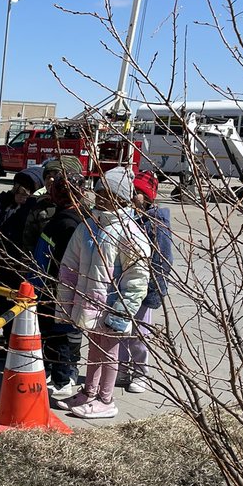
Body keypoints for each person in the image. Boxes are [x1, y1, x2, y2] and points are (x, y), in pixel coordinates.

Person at [56, 166, 151, 419]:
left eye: (106, 194)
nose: (99, 197)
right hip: (90, 303)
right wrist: (67, 300)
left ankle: (106, 399)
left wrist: (121, 313)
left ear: (120, 198)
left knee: (109, 352)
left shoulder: (129, 232)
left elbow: (136, 278)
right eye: (98, 192)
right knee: (95, 348)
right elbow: (70, 265)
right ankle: (89, 392)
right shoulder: (89, 226)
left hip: (112, 307)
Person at [32, 161, 88, 399]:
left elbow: (61, 260)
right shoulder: (70, 217)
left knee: (59, 334)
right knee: (52, 333)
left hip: (56, 287)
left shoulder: (67, 222)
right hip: (51, 285)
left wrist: (40, 281)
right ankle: (56, 373)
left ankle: (63, 379)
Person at [119, 170, 173, 393]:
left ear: (149, 197)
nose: (134, 197)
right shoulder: (128, 217)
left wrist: (155, 289)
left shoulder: (156, 223)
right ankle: (121, 367)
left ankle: (141, 372)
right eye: (133, 192)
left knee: (139, 333)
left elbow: (163, 259)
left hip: (144, 286)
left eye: (139, 193)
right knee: (121, 329)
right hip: (123, 283)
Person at [0, 167, 42, 357]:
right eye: (17, 190)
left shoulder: (32, 211)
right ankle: (7, 339)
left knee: (17, 308)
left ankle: (15, 346)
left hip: (19, 267)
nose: (20, 195)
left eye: (26, 192)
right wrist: (4, 199)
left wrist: (28, 204)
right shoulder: (4, 205)